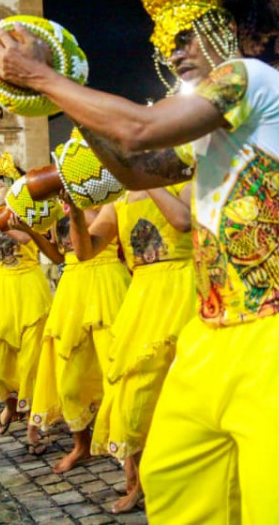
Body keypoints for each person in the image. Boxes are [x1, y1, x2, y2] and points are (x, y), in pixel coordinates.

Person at [0, 0, 279, 521]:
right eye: (167, 44)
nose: (175, 52)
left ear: (224, 26)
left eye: (186, 36)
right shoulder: (208, 134)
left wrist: (43, 78)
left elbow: (140, 130)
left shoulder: (251, 79)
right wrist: (65, 95)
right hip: (213, 328)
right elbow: (135, 167)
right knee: (177, 478)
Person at [72, 182, 196, 513]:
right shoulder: (118, 200)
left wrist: (145, 179)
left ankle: (182, 482)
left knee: (180, 393)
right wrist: (74, 209)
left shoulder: (184, 179)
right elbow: (85, 250)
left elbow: (184, 221)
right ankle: (141, 482)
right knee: (132, 396)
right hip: (141, 298)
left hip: (184, 289)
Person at [0, 183, 63, 456]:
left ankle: (32, 428)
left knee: (31, 362)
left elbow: (26, 239)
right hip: (2, 290)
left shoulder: (33, 212)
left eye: (2, 186)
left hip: (30, 289)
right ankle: (10, 405)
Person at [30, 211, 131, 474]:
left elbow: (102, 227)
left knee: (116, 371)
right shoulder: (58, 209)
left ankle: (129, 453)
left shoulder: (108, 199)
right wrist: (30, 230)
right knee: (68, 380)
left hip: (106, 281)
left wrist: (77, 203)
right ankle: (81, 446)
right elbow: (57, 255)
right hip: (72, 287)